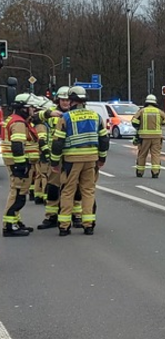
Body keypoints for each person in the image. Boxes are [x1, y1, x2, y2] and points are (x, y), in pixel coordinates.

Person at [50, 86, 109, 236]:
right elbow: (104, 139)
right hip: (91, 159)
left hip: (71, 160)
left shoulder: (66, 118)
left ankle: (64, 226)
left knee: (68, 191)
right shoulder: (96, 116)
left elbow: (57, 143)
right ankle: (88, 225)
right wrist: (102, 158)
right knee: (88, 191)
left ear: (71, 101)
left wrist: (55, 163)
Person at [2, 94, 38, 236]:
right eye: (31, 107)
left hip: (15, 161)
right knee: (17, 194)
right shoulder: (18, 123)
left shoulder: (15, 119)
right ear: (23, 108)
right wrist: (21, 165)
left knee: (18, 193)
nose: (33, 110)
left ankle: (15, 221)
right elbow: (17, 145)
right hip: (17, 163)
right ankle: (9, 226)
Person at [37, 87, 68, 229]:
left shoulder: (76, 114)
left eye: (68, 100)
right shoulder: (52, 115)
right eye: (63, 100)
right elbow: (34, 118)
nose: (66, 103)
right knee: (53, 187)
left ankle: (76, 216)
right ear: (58, 100)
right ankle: (51, 217)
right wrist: (49, 113)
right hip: (55, 157)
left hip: (71, 156)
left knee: (74, 187)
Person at [131, 94, 165, 178]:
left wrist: (139, 127)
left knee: (142, 154)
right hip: (157, 138)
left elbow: (134, 122)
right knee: (155, 154)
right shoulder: (159, 111)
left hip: (144, 137)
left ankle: (140, 172)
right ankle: (155, 172)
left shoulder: (142, 111)